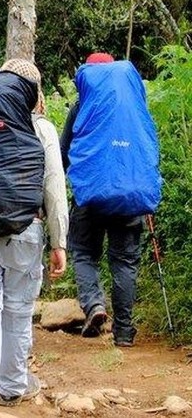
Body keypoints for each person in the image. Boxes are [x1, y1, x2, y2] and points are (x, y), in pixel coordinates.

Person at [0, 59, 68, 417]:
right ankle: (11, 385)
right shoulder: (40, 128)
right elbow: (53, 187)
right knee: (18, 311)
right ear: (36, 94)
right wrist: (59, 242)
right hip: (25, 229)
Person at [60, 52, 158, 347]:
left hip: (90, 197)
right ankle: (125, 333)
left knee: (83, 251)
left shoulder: (82, 106)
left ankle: (94, 305)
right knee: (124, 262)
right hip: (130, 195)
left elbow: (64, 151)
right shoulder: (135, 107)